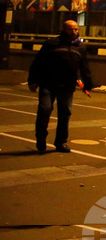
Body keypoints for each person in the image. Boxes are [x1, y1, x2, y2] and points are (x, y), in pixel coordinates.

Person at [28, 20, 93, 153]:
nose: (74, 32)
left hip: (67, 85)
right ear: (64, 29)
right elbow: (38, 62)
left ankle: (61, 142)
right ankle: (41, 138)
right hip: (48, 83)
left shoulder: (79, 47)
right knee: (45, 109)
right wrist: (33, 80)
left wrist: (88, 83)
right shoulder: (51, 44)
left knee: (65, 113)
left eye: (76, 29)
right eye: (71, 29)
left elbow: (84, 66)